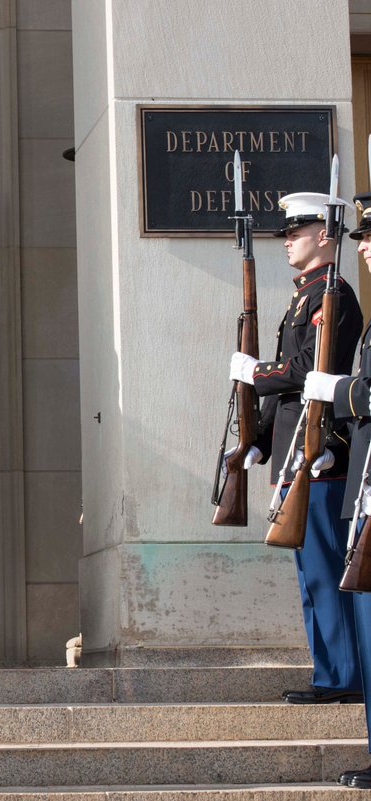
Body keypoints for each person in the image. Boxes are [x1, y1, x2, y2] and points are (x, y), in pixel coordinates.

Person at [229, 192, 364, 704]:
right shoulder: (302, 297)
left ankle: (344, 676)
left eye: (297, 232)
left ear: (325, 236)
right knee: (311, 573)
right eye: (287, 233)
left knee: (327, 569)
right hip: (294, 451)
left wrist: (255, 373)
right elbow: (290, 385)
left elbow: (306, 370)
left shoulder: (335, 296)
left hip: (320, 452)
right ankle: (329, 671)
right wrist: (259, 441)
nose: (288, 241)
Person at [301, 192, 371, 787]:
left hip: (352, 476)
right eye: (363, 239)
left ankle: (340, 673)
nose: (366, 247)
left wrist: (337, 392)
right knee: (327, 584)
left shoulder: (339, 297)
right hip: (359, 490)